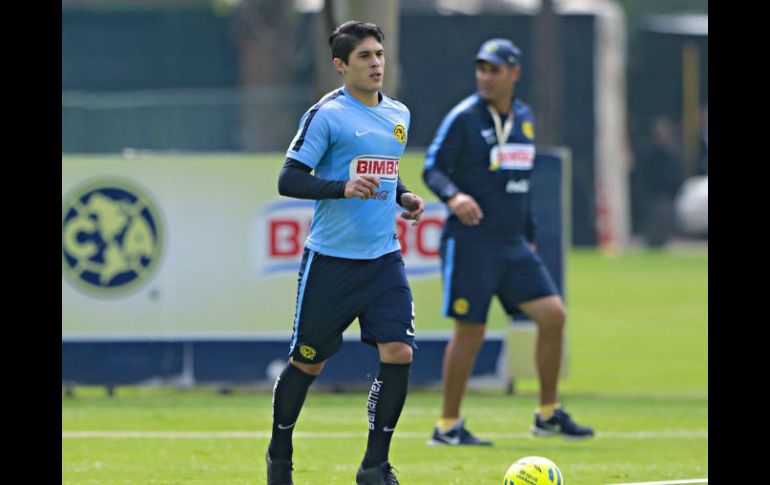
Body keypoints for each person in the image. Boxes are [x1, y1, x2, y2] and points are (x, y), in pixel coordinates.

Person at [266, 20, 425, 485]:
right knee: (308, 362)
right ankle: (279, 456)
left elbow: (387, 172)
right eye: (365, 57)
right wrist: (342, 187)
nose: (376, 64)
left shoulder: (398, 113)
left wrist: (404, 196)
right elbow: (289, 179)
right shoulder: (327, 115)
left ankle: (374, 465)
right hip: (331, 262)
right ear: (340, 65)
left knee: (399, 351)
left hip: (383, 259)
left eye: (379, 54)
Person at [421, 38, 593, 446]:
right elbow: (433, 168)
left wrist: (528, 235)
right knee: (470, 333)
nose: (486, 76)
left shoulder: (524, 118)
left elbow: (522, 184)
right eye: (481, 68)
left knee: (553, 316)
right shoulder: (464, 117)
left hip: (513, 242)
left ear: (514, 73)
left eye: (494, 69)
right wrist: (454, 197)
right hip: (472, 241)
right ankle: (447, 425)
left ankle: (547, 414)